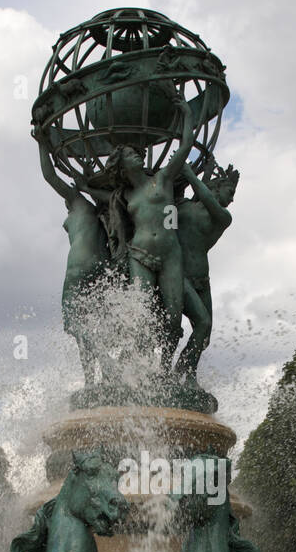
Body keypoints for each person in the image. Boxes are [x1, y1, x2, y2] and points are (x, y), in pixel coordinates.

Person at [110, 99, 195, 370]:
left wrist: (187, 115)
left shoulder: (163, 178)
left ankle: (163, 370)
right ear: (123, 167)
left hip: (170, 254)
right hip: (139, 254)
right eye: (130, 155)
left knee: (172, 319)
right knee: (141, 316)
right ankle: (137, 369)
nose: (137, 155)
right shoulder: (125, 196)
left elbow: (185, 147)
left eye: (137, 153)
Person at [36, 136, 109, 383]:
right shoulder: (97, 210)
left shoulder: (78, 202)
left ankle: (106, 366)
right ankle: (91, 379)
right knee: (91, 327)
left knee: (75, 326)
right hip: (102, 268)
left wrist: (41, 144)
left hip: (79, 268)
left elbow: (50, 177)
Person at [175, 159, 239, 382]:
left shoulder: (223, 217)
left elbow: (207, 199)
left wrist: (190, 174)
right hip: (179, 277)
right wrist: (197, 174)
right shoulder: (182, 208)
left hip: (202, 281)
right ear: (216, 187)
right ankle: (185, 375)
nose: (232, 199)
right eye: (229, 192)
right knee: (202, 323)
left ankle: (181, 372)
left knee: (205, 336)